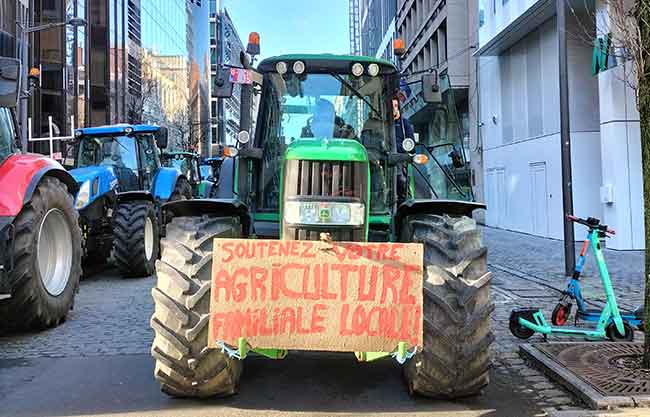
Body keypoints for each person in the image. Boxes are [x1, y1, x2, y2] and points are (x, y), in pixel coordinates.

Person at [393, 97, 414, 202]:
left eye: (396, 106)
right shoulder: (383, 124)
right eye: (391, 106)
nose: (394, 109)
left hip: (400, 158)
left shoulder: (404, 124)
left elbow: (411, 144)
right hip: (385, 158)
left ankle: (404, 198)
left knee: (401, 179)